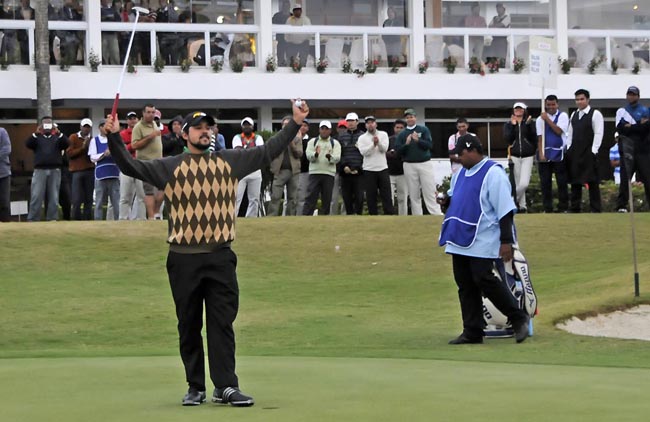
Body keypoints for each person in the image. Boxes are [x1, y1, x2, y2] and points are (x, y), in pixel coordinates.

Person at [105, 99, 309, 407]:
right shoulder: (170, 166)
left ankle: (225, 386)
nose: (205, 132)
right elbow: (130, 166)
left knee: (221, 324)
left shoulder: (230, 161)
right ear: (185, 134)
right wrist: (112, 137)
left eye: (208, 128)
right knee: (188, 324)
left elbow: (268, 151)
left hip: (220, 256)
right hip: (183, 258)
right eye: (198, 128)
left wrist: (294, 122)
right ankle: (195, 386)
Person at [438, 134, 529, 344]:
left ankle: (518, 317)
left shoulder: (493, 173)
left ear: (471, 150)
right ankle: (472, 330)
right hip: (459, 236)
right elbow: (455, 198)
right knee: (464, 283)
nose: (458, 159)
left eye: (460, 155)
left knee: (484, 279)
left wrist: (506, 241)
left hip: (483, 236)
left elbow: (505, 209)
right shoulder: (460, 174)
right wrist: (445, 201)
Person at [394, 108, 442, 216]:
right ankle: (417, 215)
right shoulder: (402, 134)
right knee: (413, 192)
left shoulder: (423, 130)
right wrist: (406, 144)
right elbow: (398, 151)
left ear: (415, 118)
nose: (410, 119)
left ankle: (436, 214)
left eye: (411, 117)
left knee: (429, 190)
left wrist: (418, 140)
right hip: (409, 164)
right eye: (407, 117)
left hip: (424, 163)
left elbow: (429, 145)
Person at [566, 89, 603, 213]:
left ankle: (595, 208)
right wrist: (569, 147)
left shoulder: (595, 114)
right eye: (577, 99)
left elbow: (598, 133)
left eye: (582, 99)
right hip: (575, 151)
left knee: (592, 181)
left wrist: (594, 150)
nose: (579, 102)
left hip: (589, 151)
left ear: (588, 99)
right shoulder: (574, 115)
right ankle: (575, 208)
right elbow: (570, 133)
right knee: (575, 181)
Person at [26, 116, 69, 221]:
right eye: (45, 124)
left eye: (49, 124)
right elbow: (28, 144)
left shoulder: (57, 138)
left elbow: (67, 143)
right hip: (40, 170)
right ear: (41, 125)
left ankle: (52, 218)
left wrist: (58, 133)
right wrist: (36, 133)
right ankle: (33, 218)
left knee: (53, 197)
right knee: (36, 195)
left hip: (55, 170)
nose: (47, 126)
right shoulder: (37, 138)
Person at [616, 86, 650, 212]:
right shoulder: (622, 111)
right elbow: (621, 128)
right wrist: (638, 125)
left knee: (647, 178)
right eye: (629, 94)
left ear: (638, 96)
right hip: (627, 150)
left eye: (633, 94)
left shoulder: (645, 110)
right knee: (625, 178)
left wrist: (631, 127)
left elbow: (645, 129)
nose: (631, 96)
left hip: (643, 150)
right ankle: (621, 206)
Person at [536, 95, 570, 213]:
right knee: (545, 182)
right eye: (548, 105)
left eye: (553, 104)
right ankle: (548, 208)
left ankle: (563, 207)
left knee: (561, 181)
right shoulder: (540, 119)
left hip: (559, 152)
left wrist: (547, 120)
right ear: (545, 104)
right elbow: (540, 137)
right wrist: (541, 153)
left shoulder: (563, 116)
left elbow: (558, 131)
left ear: (557, 104)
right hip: (546, 153)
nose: (551, 107)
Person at [131, 104, 164, 219]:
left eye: (153, 112)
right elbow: (134, 145)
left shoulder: (155, 124)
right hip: (146, 163)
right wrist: (150, 137)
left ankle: (156, 211)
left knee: (163, 188)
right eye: (149, 112)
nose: (151, 114)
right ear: (143, 113)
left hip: (159, 162)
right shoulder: (138, 127)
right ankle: (151, 217)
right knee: (149, 191)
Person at [302, 120, 341, 216]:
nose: (324, 131)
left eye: (326, 129)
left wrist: (329, 157)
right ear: (319, 130)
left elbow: (337, 158)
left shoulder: (335, 143)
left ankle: (325, 218)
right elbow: (308, 155)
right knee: (310, 197)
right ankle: (306, 217)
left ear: (330, 131)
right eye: (322, 128)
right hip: (314, 173)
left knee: (327, 198)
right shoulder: (312, 141)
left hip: (329, 173)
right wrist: (315, 154)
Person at [503, 102, 536, 212]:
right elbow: (508, 139)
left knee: (524, 183)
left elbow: (534, 138)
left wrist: (527, 125)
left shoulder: (530, 123)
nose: (518, 110)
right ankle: (522, 206)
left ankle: (510, 201)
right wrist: (513, 126)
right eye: (516, 109)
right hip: (515, 155)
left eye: (520, 109)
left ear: (524, 110)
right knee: (517, 182)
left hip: (528, 156)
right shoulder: (508, 124)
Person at [357, 116, 393, 215]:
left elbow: (384, 149)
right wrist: (373, 145)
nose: (370, 124)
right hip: (369, 169)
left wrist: (378, 143)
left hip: (382, 168)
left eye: (372, 122)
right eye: (368, 123)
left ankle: (389, 215)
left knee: (386, 194)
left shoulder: (383, 134)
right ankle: (373, 215)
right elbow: (364, 153)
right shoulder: (362, 138)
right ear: (365, 125)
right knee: (371, 195)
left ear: (376, 124)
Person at [268, 115, 303, 216]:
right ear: (282, 125)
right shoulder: (276, 138)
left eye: (289, 124)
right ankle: (271, 217)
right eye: (285, 124)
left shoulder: (297, 138)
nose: (287, 126)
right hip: (280, 171)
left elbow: (299, 154)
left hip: (294, 171)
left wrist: (292, 144)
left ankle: (290, 217)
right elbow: (271, 152)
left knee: (293, 197)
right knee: (275, 196)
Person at [233, 117, 264, 217]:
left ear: (252, 127)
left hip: (255, 171)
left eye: (249, 125)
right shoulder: (237, 137)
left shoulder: (258, 138)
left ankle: (251, 219)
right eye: (245, 125)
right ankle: (232, 218)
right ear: (242, 127)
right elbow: (238, 151)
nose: (247, 127)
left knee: (254, 199)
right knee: (236, 197)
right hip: (241, 171)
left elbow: (260, 152)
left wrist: (246, 151)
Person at [89, 120, 120, 220]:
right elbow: (92, 157)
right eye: (104, 126)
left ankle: (118, 220)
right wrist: (104, 154)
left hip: (113, 173)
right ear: (100, 127)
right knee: (99, 201)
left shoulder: (114, 140)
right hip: (100, 174)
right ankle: (97, 220)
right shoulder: (95, 140)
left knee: (116, 201)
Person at [66, 118, 96, 220]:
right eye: (84, 127)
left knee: (89, 197)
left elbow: (92, 156)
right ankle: (76, 218)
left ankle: (87, 218)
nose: (86, 129)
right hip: (76, 171)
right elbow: (69, 154)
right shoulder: (73, 137)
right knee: (77, 198)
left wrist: (88, 148)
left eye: (88, 127)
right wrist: (82, 148)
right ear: (80, 127)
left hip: (89, 170)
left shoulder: (92, 140)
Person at [119, 111, 146, 220]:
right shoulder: (123, 134)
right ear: (127, 121)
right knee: (125, 196)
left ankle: (142, 219)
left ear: (138, 119)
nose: (132, 120)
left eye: (134, 118)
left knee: (142, 196)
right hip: (127, 165)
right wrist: (136, 145)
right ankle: (123, 219)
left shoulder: (142, 132)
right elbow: (123, 149)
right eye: (130, 118)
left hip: (140, 165)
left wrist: (134, 145)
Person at [337, 112, 365, 215]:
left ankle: (359, 216)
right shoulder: (341, 136)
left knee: (359, 197)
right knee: (346, 197)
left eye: (352, 121)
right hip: (345, 172)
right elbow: (340, 153)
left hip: (359, 172)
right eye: (348, 121)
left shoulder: (363, 136)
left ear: (357, 122)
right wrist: (344, 166)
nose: (350, 123)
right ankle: (349, 216)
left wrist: (357, 168)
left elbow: (364, 154)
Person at [386, 119, 408, 215]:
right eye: (397, 127)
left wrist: (396, 153)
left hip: (403, 172)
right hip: (389, 172)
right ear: (394, 128)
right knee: (389, 198)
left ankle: (403, 217)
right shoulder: (388, 139)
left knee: (402, 198)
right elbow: (384, 153)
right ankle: (390, 216)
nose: (399, 129)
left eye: (401, 128)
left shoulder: (407, 140)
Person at [295, 120, 311, 215]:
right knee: (290, 197)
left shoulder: (310, 141)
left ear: (308, 128)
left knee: (302, 197)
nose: (303, 127)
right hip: (292, 171)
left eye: (305, 125)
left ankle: (300, 216)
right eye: (301, 125)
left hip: (305, 171)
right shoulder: (292, 139)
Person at [100, 0, 121, 65]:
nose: (106, 1)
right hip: (103, 35)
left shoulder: (113, 10)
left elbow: (118, 20)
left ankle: (116, 69)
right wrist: (105, 18)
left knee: (115, 54)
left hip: (113, 34)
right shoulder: (99, 10)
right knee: (104, 54)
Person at [272, 0, 291, 66]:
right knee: (280, 58)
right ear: (282, 6)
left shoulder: (292, 16)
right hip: (281, 41)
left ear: (289, 6)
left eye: (287, 5)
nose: (286, 7)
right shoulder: (277, 16)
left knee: (290, 58)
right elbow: (271, 26)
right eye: (284, 5)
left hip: (290, 42)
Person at [0, 126, 11, 222]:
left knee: (4, 202)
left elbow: (7, 149)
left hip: (3, 173)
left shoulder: (2, 132)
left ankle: (5, 223)